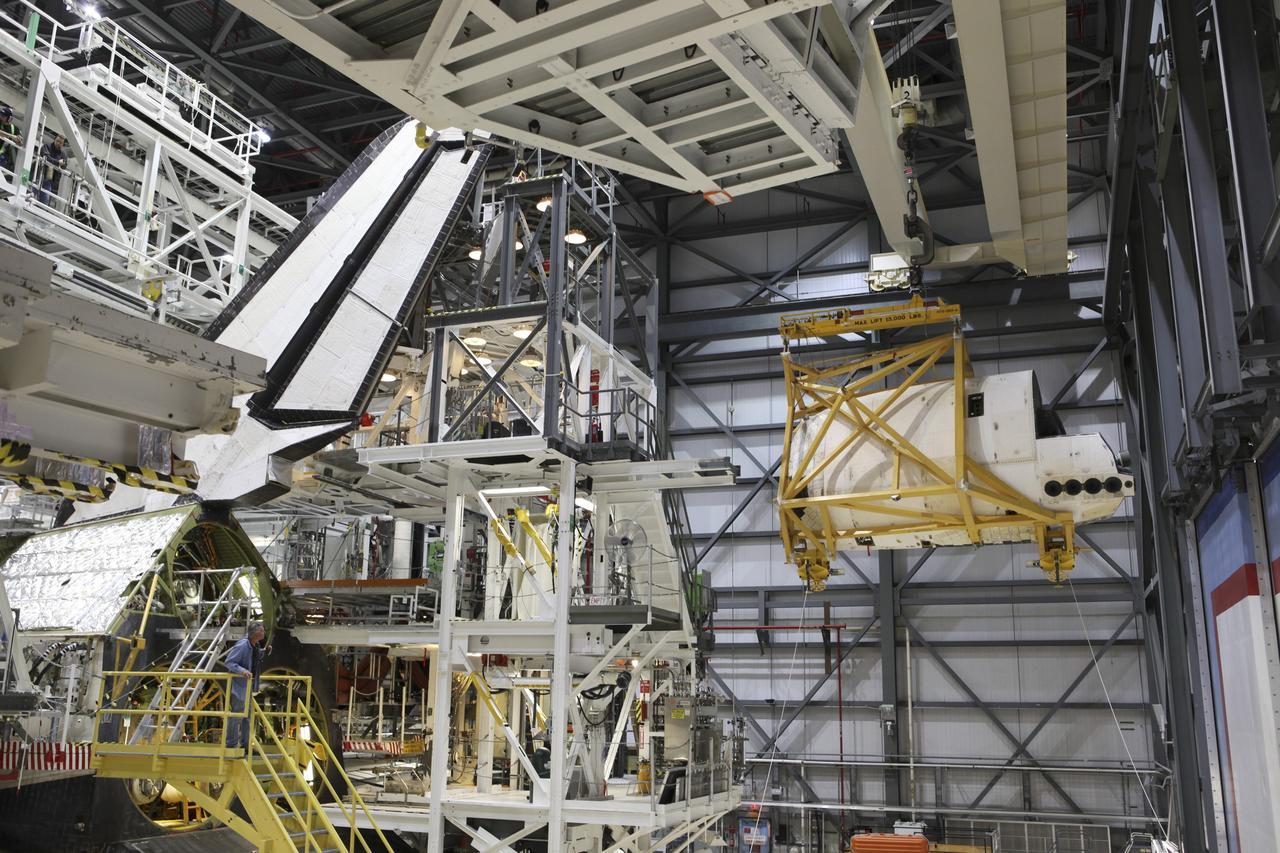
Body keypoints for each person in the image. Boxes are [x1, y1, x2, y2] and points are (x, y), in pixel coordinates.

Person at [225, 621, 267, 753]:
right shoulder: (243, 645)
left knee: (247, 717)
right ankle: (231, 746)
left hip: (248, 686)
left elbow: (253, 658)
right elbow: (229, 662)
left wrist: (264, 652)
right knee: (237, 715)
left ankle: (246, 746)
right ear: (255, 632)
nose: (264, 632)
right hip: (239, 686)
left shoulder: (254, 645)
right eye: (262, 630)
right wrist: (242, 671)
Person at [37, 134, 68, 206]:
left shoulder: (63, 154)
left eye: (61, 142)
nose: (58, 143)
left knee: (45, 200)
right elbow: (46, 157)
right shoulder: (47, 146)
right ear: (54, 140)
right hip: (40, 174)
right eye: (57, 141)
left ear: (63, 144)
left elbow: (64, 165)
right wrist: (58, 162)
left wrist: (62, 164)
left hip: (50, 180)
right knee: (32, 193)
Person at [0, 106, 20, 176]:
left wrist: (18, 140)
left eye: (3, 116)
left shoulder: (15, 129)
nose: (1, 117)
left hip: (3, 156)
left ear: (9, 118)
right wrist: (12, 136)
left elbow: (21, 142)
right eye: (0, 114)